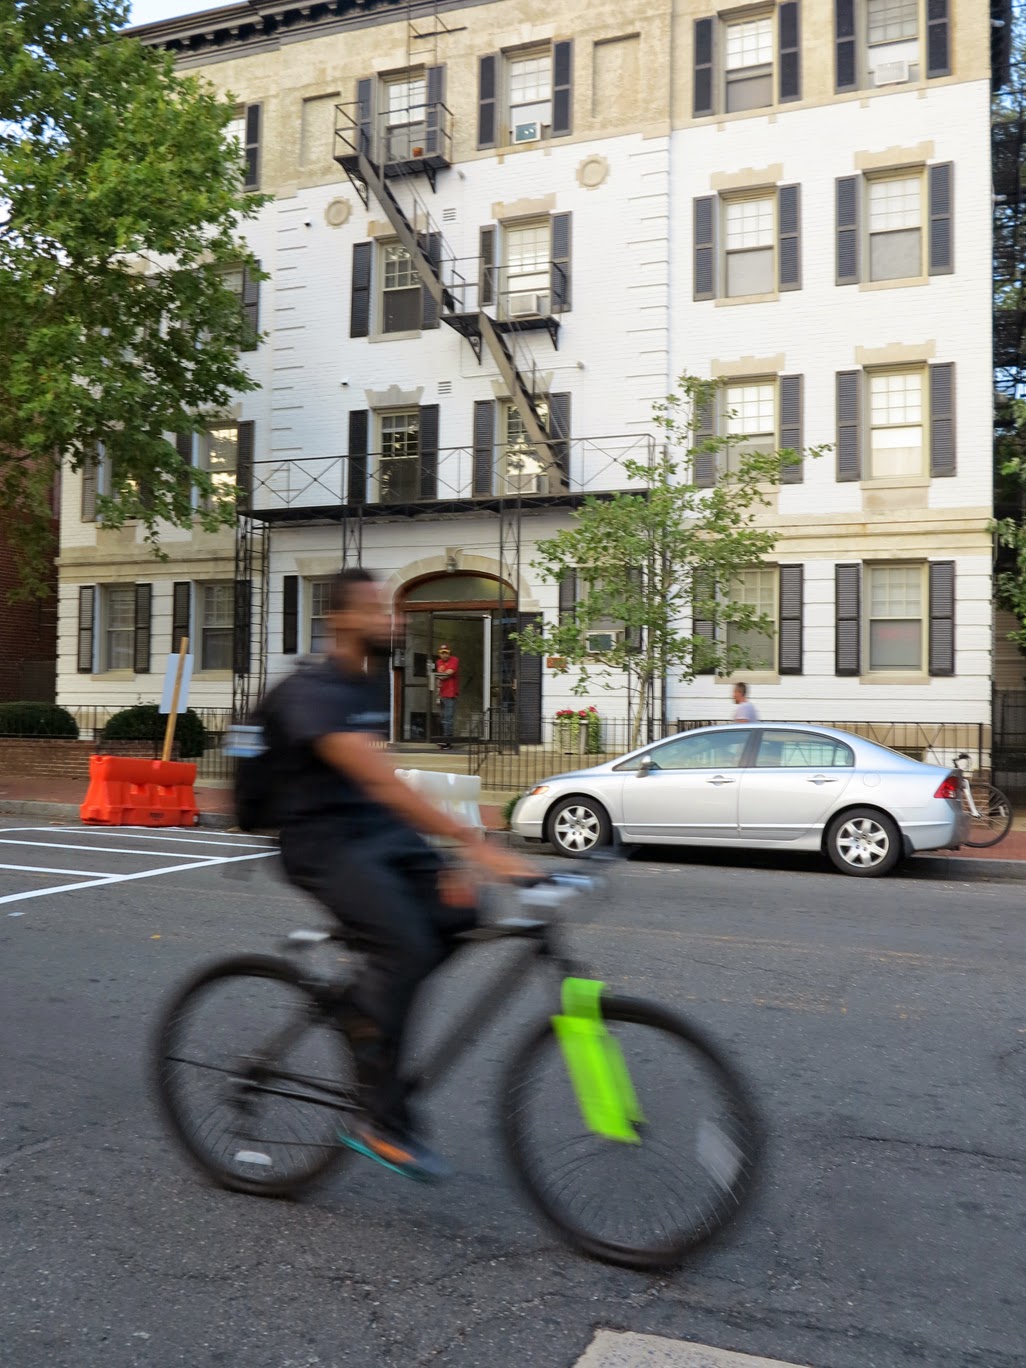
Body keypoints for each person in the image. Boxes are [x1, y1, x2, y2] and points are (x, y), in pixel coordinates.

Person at [261, 568, 532, 1182]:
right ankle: (377, 1117)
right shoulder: (316, 693)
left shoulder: (366, 686)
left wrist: (467, 843)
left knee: (461, 912)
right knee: (405, 944)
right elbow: (378, 778)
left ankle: (366, 1008)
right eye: (380, 609)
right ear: (343, 621)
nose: (395, 618)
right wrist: (471, 843)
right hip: (321, 843)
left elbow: (389, 778)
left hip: (373, 833)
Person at [434, 643, 459, 750]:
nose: (444, 655)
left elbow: (448, 673)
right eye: (442, 653)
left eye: (446, 653)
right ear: (439, 654)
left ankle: (448, 741)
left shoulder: (454, 660)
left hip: (451, 693)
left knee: (448, 718)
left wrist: (439, 676)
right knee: (443, 718)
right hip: (442, 693)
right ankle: (444, 739)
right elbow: (439, 678)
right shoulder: (438, 662)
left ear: (449, 653)